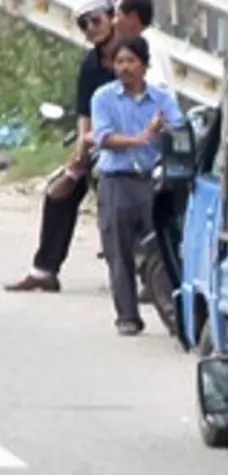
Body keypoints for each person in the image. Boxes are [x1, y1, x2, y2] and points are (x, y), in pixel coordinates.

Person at [5, 0, 118, 294]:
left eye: (95, 20)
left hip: (136, 143)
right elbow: (85, 115)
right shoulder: (90, 66)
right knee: (60, 193)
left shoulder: (138, 54)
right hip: (100, 145)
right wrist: (80, 155)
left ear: (112, 17)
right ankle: (44, 269)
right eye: (83, 24)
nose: (90, 29)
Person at [89, 35, 184, 335]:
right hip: (117, 181)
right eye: (119, 61)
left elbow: (178, 128)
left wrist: (163, 130)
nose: (124, 67)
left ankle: (173, 314)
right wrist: (141, 138)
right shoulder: (103, 97)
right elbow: (102, 136)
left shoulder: (161, 99)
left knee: (164, 250)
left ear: (144, 66)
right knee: (119, 251)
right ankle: (127, 316)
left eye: (131, 61)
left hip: (153, 182)